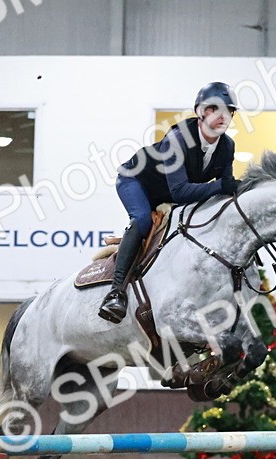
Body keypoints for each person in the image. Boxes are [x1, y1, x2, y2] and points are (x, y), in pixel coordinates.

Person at [98, 82, 240, 324]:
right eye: (215, 109)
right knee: (142, 220)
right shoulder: (177, 139)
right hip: (137, 181)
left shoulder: (227, 146)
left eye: (229, 111)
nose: (223, 116)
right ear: (200, 112)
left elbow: (226, 190)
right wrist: (222, 186)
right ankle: (116, 293)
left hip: (171, 192)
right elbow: (182, 192)